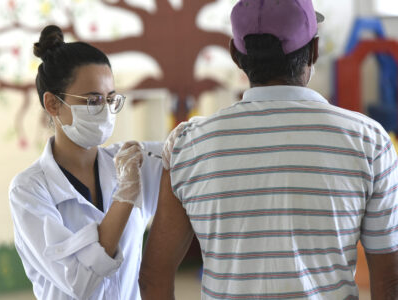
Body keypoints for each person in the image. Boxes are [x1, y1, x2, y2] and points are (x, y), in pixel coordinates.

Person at [139, 1, 398, 299]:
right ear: (313, 50)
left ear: (236, 56)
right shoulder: (369, 141)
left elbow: (152, 277)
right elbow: (389, 281)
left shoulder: (188, 145)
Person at [8, 25, 163, 300]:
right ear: (53, 104)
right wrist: (125, 195)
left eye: (111, 99)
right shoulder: (28, 190)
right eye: (92, 100)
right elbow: (80, 281)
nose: (105, 111)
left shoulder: (128, 161)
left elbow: (191, 154)